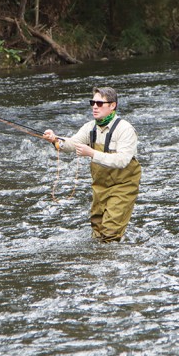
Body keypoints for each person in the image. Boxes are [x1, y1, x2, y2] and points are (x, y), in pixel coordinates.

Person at [44, 87, 141, 242]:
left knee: (110, 233)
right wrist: (56, 140)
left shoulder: (125, 129)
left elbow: (122, 160)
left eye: (99, 103)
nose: (95, 106)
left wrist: (91, 153)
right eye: (93, 102)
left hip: (123, 185)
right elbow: (72, 143)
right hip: (100, 185)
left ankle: (110, 261)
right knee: (97, 230)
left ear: (112, 106)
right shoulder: (90, 127)